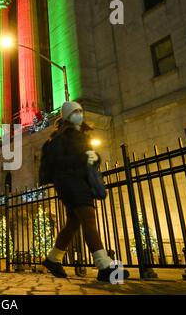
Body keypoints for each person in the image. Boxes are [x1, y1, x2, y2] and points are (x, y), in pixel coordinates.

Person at [41, 101, 129, 282]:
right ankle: (104, 266)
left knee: (74, 221)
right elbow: (57, 162)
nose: (79, 114)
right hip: (68, 182)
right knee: (88, 217)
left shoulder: (81, 134)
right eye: (75, 111)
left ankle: (53, 259)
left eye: (80, 111)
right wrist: (82, 157)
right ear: (66, 116)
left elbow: (90, 157)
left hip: (80, 181)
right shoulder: (59, 138)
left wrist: (94, 157)